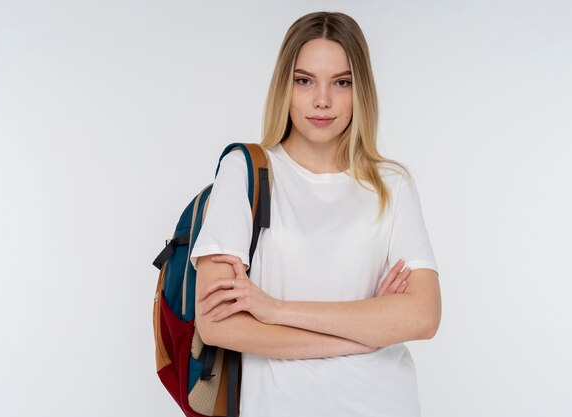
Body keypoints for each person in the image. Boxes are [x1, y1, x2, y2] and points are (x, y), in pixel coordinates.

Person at [189, 11, 441, 417]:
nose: (322, 100)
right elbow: (217, 323)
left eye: (341, 82)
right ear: (283, 87)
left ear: (361, 91)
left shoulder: (391, 184)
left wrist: (276, 310)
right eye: (304, 80)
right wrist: (365, 333)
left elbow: (423, 316)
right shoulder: (246, 170)